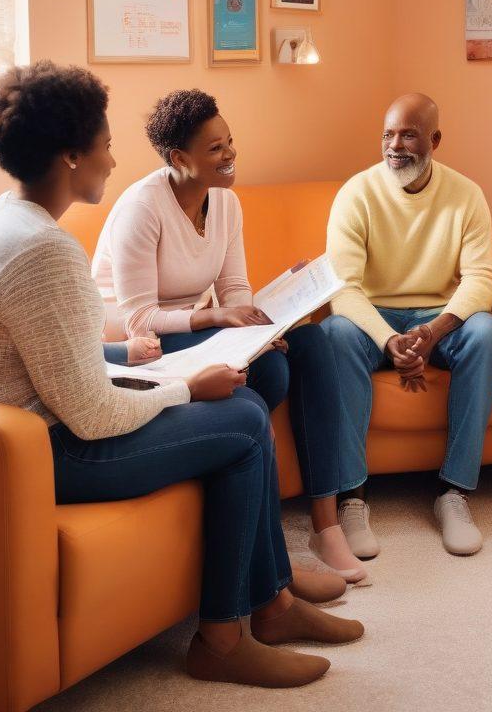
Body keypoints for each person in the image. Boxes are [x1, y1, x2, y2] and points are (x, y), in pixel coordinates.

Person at [0, 62, 364, 689]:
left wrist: (129, 361)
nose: (113, 161)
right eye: (105, 145)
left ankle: (272, 603)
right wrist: (183, 386)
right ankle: (227, 639)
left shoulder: (5, 219)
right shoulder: (45, 251)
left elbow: (52, 360)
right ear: (70, 156)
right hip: (46, 448)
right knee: (246, 421)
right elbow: (91, 416)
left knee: (254, 395)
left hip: (36, 422)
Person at [91, 89, 368, 586]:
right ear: (179, 158)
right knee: (266, 374)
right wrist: (215, 320)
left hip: (199, 329)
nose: (230, 154)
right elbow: (138, 320)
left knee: (307, 345)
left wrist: (268, 321)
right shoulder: (142, 207)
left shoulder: (226, 203)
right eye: (215, 148)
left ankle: (326, 524)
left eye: (230, 142)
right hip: (139, 346)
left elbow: (235, 289)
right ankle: (261, 536)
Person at [322, 93, 492, 558]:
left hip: (436, 317)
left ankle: (454, 492)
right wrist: (389, 338)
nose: (395, 145)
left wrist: (434, 332)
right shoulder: (356, 194)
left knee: (484, 331)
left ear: (435, 140)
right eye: (388, 134)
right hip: (373, 317)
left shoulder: (466, 194)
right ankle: (352, 497)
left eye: (408, 134)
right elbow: (342, 289)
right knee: (334, 334)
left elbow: (482, 277)